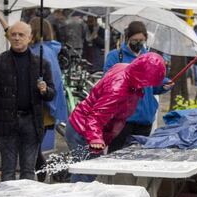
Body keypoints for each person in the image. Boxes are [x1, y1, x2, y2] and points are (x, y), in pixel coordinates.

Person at [0, 21, 55, 182]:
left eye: (21, 35)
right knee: (8, 171)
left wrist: (45, 90)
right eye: (13, 34)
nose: (17, 38)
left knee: (28, 171)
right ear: (9, 37)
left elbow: (52, 94)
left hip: (32, 122)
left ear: (30, 38)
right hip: (6, 121)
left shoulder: (41, 64)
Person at [67, 52, 166, 182]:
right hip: (82, 129)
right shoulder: (117, 89)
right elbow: (95, 117)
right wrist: (95, 139)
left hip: (86, 127)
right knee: (85, 175)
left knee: (88, 172)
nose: (147, 86)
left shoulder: (126, 69)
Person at [104, 21, 174, 153]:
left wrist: (163, 85)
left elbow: (152, 86)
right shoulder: (115, 56)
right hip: (122, 119)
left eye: (141, 40)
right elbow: (108, 82)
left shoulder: (148, 57)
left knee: (138, 157)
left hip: (144, 119)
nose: (138, 43)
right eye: (135, 40)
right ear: (127, 38)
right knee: (115, 156)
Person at [29, 17, 68, 181]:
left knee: (33, 145)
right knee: (35, 144)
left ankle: (42, 176)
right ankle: (41, 175)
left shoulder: (38, 51)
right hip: (51, 104)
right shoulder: (50, 49)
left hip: (41, 105)